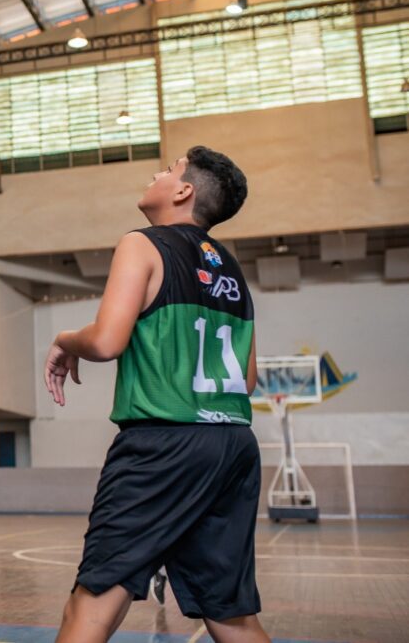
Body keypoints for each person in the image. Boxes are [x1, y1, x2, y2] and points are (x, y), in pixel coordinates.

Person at [43, 147, 269, 643]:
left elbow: (105, 341)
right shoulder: (231, 268)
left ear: (184, 191)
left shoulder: (143, 245)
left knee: (91, 604)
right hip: (232, 443)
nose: (156, 173)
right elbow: (248, 380)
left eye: (168, 170)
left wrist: (64, 339)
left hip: (163, 446)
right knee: (230, 615)